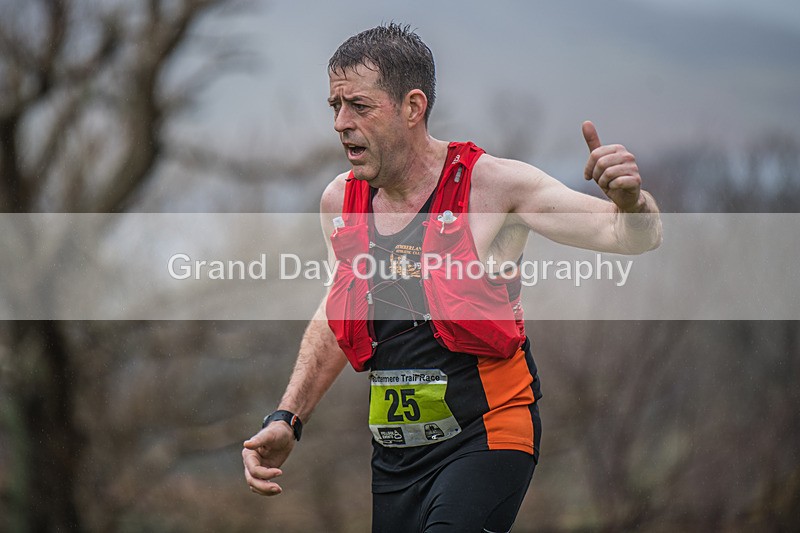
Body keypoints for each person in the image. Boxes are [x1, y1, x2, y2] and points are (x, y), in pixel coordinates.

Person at [243, 23, 661, 533]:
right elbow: (339, 314)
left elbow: (629, 236)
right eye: (335, 106)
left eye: (359, 106)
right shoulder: (340, 202)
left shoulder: (494, 186)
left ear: (413, 107)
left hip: (487, 437)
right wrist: (288, 417)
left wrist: (632, 202)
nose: (341, 123)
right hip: (396, 459)